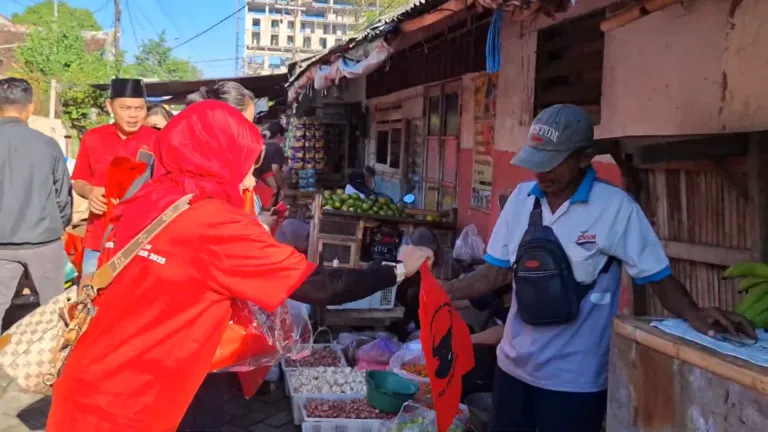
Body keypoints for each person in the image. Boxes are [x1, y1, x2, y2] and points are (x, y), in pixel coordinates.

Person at [46, 101, 433, 432]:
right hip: (145, 398)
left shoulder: (146, 198)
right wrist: (398, 268)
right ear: (220, 159)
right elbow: (320, 287)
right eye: (245, 163)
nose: (250, 177)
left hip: (95, 375)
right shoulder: (215, 223)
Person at [442, 104, 756, 432]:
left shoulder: (616, 209)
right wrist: (445, 290)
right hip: (512, 370)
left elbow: (658, 278)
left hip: (574, 383)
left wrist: (693, 313)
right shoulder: (521, 200)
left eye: (553, 162)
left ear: (583, 157)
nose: (542, 172)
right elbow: (494, 273)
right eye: (537, 161)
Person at [0, 77, 72, 324]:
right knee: (54, 309)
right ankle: (55, 359)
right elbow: (63, 196)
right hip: (44, 241)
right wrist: (59, 225)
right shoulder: (47, 145)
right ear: (30, 108)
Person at [71, 78, 158, 277]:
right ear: (110, 106)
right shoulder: (92, 138)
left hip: (142, 237)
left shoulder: (157, 140)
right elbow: (79, 181)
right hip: (98, 235)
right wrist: (90, 192)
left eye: (140, 108)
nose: (133, 115)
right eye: (126, 108)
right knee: (89, 295)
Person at [253, 120, 287, 205]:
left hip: (254, 178)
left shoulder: (263, 144)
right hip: (265, 183)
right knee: (274, 189)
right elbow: (275, 169)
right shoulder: (277, 148)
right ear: (279, 135)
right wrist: (283, 187)